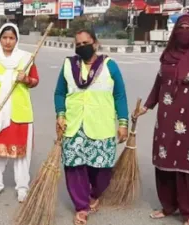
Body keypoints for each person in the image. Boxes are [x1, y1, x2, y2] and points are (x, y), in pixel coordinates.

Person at [133, 15, 189, 225]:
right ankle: (169, 205)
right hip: (166, 119)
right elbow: (159, 84)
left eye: (188, 27)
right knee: (164, 160)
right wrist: (146, 107)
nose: (184, 30)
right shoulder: (168, 56)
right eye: (180, 26)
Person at [54, 29, 129, 225]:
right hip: (74, 124)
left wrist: (123, 123)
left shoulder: (109, 66)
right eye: (78, 44)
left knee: (102, 169)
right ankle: (81, 205)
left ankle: (94, 193)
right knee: (74, 167)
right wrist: (60, 114)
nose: (82, 47)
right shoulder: (69, 65)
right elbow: (59, 93)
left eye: (85, 42)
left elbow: (119, 95)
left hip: (101, 124)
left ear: (95, 43)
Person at [0, 23, 39, 203]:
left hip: (19, 112)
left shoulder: (26, 58)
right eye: (4, 38)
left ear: (16, 40)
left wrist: (26, 79)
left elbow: (35, 81)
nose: (8, 42)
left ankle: (22, 187)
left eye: (11, 38)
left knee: (21, 152)